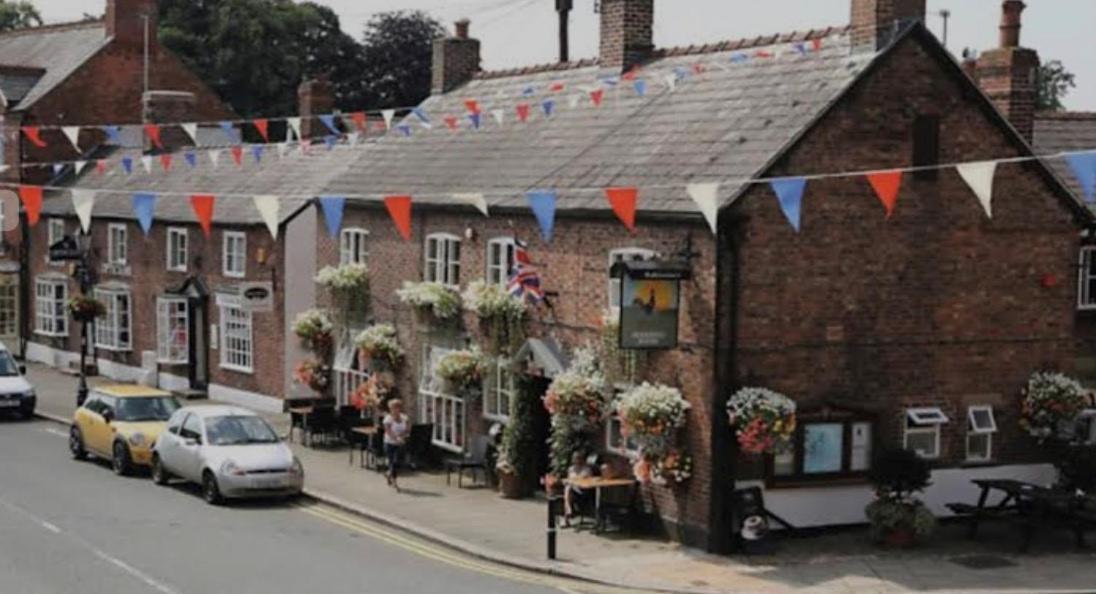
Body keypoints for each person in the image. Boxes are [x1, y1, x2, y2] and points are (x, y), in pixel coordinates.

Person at [382, 399, 410, 491]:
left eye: (397, 407)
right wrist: (396, 438)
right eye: (394, 408)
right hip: (389, 443)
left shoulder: (404, 417)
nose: (396, 410)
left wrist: (402, 437)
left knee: (397, 462)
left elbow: (407, 429)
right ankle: (394, 482)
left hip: (400, 443)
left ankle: (388, 474)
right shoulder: (388, 419)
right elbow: (388, 431)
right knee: (392, 462)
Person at [563, 451, 594, 527]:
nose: (577, 460)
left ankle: (567, 516)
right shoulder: (571, 469)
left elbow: (586, 480)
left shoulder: (586, 469)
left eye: (578, 458)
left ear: (582, 459)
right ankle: (568, 510)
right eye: (575, 458)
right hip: (574, 491)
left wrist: (573, 480)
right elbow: (569, 479)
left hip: (584, 491)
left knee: (568, 490)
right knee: (568, 489)